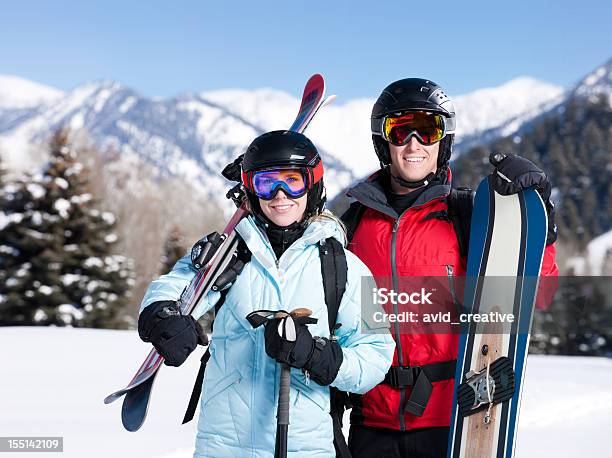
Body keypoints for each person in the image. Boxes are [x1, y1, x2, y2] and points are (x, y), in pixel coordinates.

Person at [137, 130, 395, 458]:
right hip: (222, 446)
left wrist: (316, 355)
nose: (279, 194)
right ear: (250, 189)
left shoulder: (347, 266)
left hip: (304, 448)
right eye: (265, 183)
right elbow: (172, 286)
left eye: (292, 181)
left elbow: (377, 353)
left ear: (313, 185)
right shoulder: (227, 252)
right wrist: (163, 316)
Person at [341, 78, 559, 458]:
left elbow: (538, 294)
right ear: (383, 141)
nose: (414, 143)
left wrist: (542, 227)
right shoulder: (354, 222)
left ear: (443, 141)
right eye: (400, 130)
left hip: (451, 420)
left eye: (428, 130)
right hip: (370, 424)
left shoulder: (466, 215)